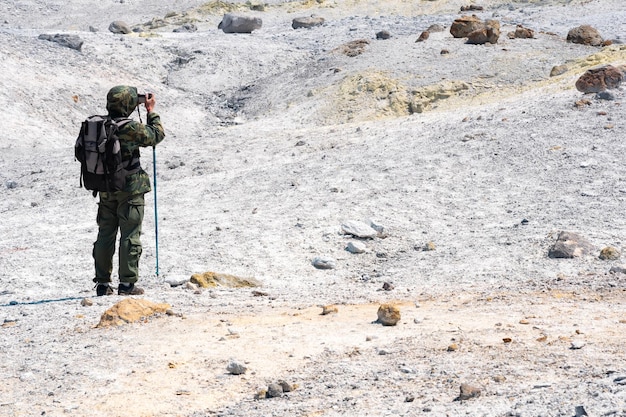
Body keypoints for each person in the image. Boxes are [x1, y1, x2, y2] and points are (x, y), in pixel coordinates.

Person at [93, 85, 165, 296]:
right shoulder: (129, 127)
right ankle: (127, 284)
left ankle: (102, 284)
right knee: (130, 235)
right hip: (130, 188)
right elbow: (157, 135)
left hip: (106, 188)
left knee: (105, 234)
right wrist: (151, 111)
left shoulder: (99, 125)